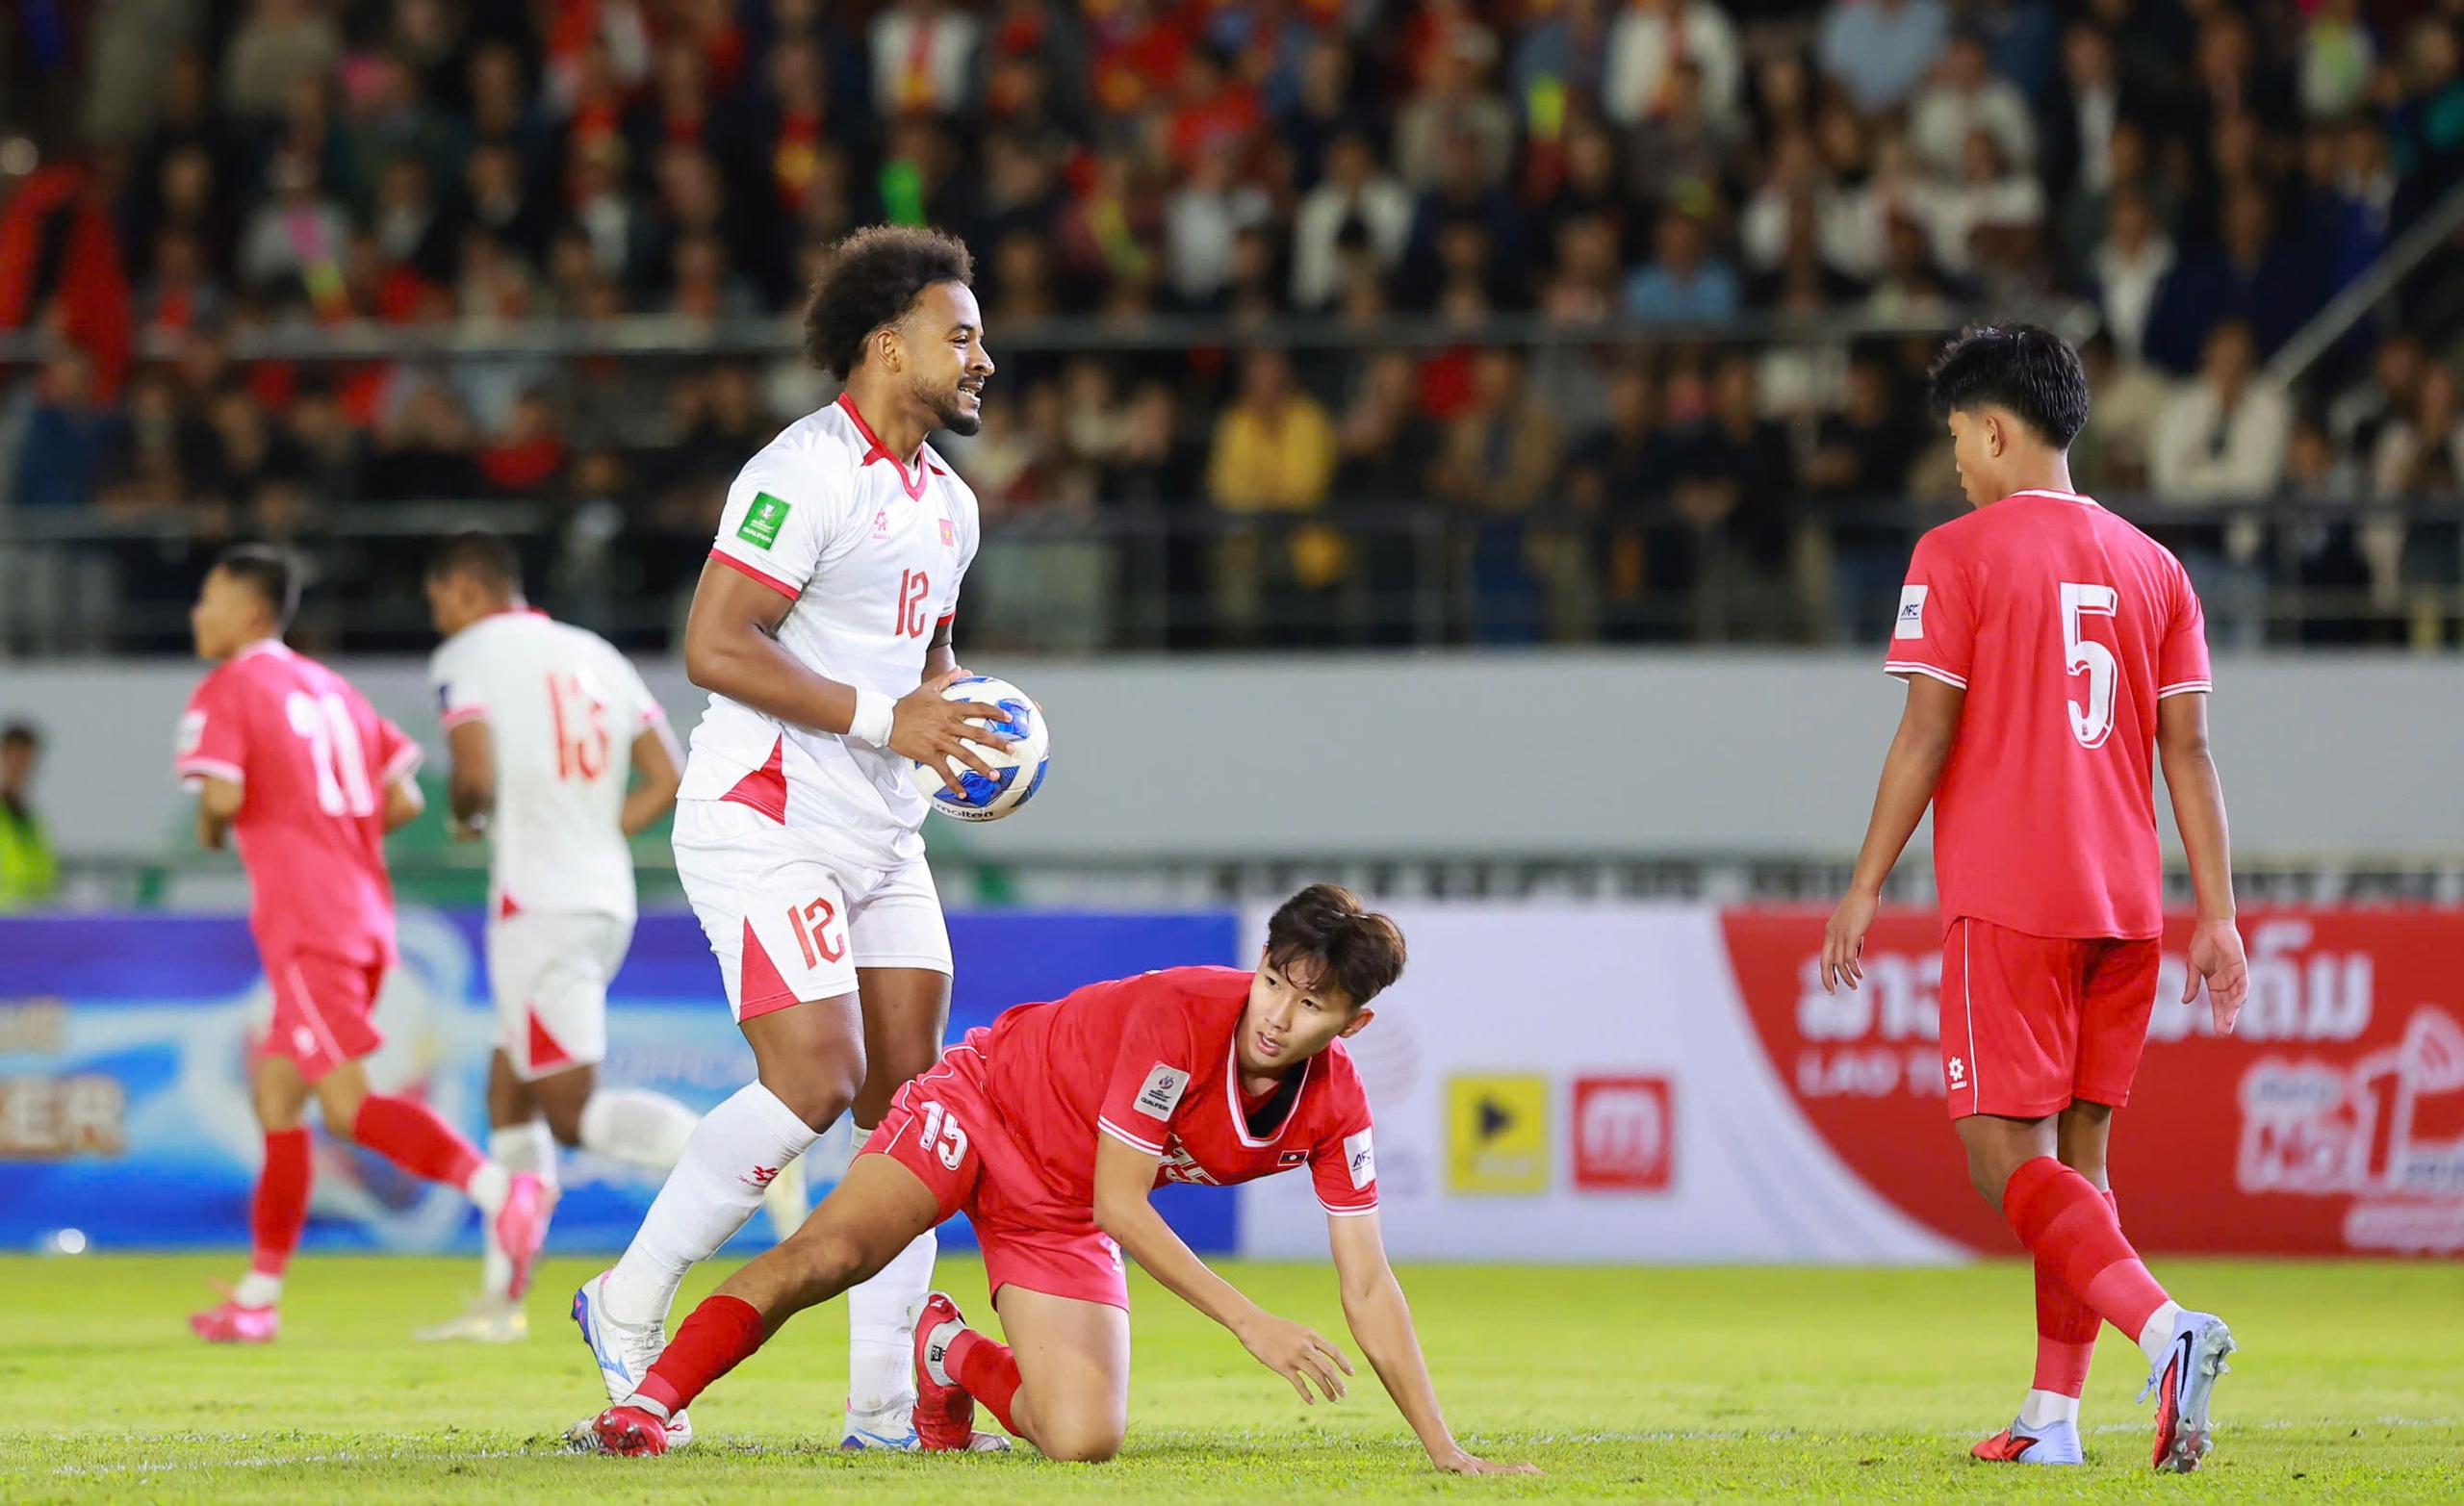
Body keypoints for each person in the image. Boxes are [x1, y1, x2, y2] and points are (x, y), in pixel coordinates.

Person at [580, 886, 1536, 1477]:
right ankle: (648, 1403)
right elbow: (1125, 1205)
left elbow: (1366, 1282)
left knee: (1081, 1438)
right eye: (1275, 982)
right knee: (832, 1250)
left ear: (1351, 1024)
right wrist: (1253, 1319)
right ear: (1260, 966)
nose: (1279, 1015)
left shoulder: (1337, 1108)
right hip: (986, 1103)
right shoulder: (1179, 1015)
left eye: (1312, 1001)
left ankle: (947, 1350)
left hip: (1062, 1201)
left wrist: (1445, 1448)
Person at [570, 224, 1008, 1452]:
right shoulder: (800, 469)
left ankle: (878, 1406)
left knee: (910, 1106)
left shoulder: (951, 503)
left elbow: (922, 660)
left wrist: (968, 725)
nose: (985, 358)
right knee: (812, 1078)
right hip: (764, 812)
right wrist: (890, 717)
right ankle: (628, 1296)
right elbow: (715, 644)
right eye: (960, 336)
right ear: (887, 343)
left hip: (884, 828)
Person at [1820, 324, 2250, 1472]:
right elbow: (2190, 752)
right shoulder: (2157, 565)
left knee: (1997, 1161)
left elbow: (1924, 731)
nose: (1956, 460)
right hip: (2127, 908)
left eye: (1959, 436)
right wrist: (2213, 911)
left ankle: (2165, 1331)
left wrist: (1863, 884)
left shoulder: (1955, 552)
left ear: (1997, 427)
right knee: (2080, 1165)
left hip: (2010, 898)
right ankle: (2052, 1419)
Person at [176, 544, 550, 1343]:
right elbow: (405, 795)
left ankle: (496, 1190)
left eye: (208, 597)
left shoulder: (229, 685)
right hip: (363, 912)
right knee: (279, 1096)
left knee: (345, 1106)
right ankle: (258, 1296)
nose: (196, 613)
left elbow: (224, 794)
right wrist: (331, 832)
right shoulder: (331, 686)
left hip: (307, 922)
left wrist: (217, 826)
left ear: (249, 611)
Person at [415, 530, 742, 1342]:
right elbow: (667, 773)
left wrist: (466, 818)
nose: (439, 618)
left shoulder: (468, 654)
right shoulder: (596, 650)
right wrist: (600, 830)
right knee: (509, 1084)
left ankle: (739, 1156)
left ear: (462, 590)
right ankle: (501, 1300)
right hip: (602, 895)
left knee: (567, 1109)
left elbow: (473, 774)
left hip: (539, 903)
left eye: (438, 602)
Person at [0, 723, 61, 910]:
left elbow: (47, 876)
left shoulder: (33, 821)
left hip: (30, 923)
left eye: (25, 759)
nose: (19, 768)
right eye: (13, 758)